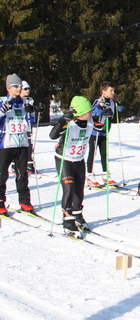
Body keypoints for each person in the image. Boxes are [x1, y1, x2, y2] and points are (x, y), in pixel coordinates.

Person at [50, 96, 93, 235]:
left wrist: (107, 116)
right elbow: (53, 135)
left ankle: (78, 215)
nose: (91, 112)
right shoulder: (69, 123)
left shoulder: (90, 121)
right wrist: (62, 120)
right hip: (64, 160)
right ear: (80, 113)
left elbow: (104, 127)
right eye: (88, 110)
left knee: (79, 192)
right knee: (68, 189)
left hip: (79, 160)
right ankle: (67, 220)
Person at [0, 74, 35, 214]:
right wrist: (3, 110)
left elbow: (30, 122)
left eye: (20, 86)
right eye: (16, 86)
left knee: (22, 173)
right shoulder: (2, 101)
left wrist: (31, 113)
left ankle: (25, 201)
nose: (19, 88)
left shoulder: (26, 102)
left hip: (22, 143)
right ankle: (1, 201)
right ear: (8, 88)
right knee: (2, 174)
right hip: (6, 143)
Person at [86, 81, 122, 187]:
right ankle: (89, 175)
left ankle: (106, 175)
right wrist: (101, 110)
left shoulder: (111, 101)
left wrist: (119, 104)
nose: (113, 92)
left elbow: (116, 114)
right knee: (93, 153)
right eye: (110, 90)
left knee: (104, 153)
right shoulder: (98, 101)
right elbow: (92, 114)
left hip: (104, 131)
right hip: (95, 131)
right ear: (104, 92)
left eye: (113, 90)